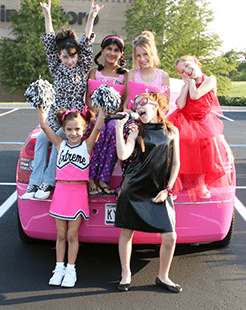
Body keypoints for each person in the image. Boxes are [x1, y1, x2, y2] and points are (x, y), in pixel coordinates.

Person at [21, 0, 103, 200]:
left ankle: (46, 183)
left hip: (73, 117)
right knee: (42, 141)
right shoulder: (56, 68)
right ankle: (34, 184)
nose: (70, 60)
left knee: (57, 143)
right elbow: (49, 40)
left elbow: (85, 42)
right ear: (58, 57)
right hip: (55, 114)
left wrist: (91, 17)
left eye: (72, 56)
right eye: (65, 57)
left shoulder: (82, 67)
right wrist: (47, 13)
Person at [114, 91, 182, 293]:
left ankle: (163, 276)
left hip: (159, 191)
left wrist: (168, 189)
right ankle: (126, 274)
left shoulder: (172, 131)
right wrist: (119, 128)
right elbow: (123, 154)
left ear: (156, 106)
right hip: (133, 189)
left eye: (142, 103)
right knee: (127, 232)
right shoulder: (136, 131)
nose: (137, 107)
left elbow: (176, 163)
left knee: (170, 237)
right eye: (135, 105)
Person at [37, 106, 105, 287]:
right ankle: (58, 268)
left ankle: (71, 270)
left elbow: (98, 128)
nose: (73, 133)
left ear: (83, 130)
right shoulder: (60, 144)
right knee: (60, 235)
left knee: (72, 235)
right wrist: (41, 108)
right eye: (69, 129)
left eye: (77, 129)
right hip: (61, 193)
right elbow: (44, 126)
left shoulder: (86, 145)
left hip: (78, 194)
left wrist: (103, 110)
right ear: (64, 129)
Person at [167, 55, 226, 200]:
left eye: (187, 65)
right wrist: (186, 86)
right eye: (182, 71)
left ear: (195, 62)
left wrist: (191, 83)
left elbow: (196, 95)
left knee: (207, 140)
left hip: (202, 120)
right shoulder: (188, 84)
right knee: (180, 139)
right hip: (185, 118)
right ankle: (175, 182)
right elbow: (180, 105)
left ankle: (200, 183)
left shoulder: (210, 79)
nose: (186, 71)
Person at [86, 35, 128, 196]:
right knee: (97, 131)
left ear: (121, 53)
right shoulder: (94, 72)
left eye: (116, 50)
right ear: (102, 50)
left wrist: (117, 112)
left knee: (112, 130)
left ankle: (103, 178)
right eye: (109, 49)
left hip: (114, 115)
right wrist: (96, 110)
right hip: (96, 114)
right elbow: (89, 97)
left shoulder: (125, 74)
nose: (112, 53)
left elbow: (125, 99)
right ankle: (90, 178)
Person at [123, 31, 170, 111]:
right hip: (133, 117)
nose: (142, 59)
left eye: (145, 54)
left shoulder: (163, 76)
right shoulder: (132, 73)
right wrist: (125, 110)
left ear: (152, 53)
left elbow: (166, 105)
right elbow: (127, 99)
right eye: (138, 55)